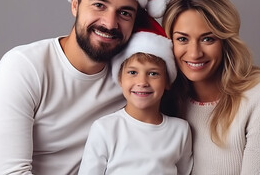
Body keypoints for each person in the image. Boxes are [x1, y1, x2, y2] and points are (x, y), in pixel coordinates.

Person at [0, 0, 166, 175]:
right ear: (75, 5)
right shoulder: (24, 67)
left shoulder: (132, 80)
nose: (109, 23)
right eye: (99, 5)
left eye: (125, 13)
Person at [161, 0, 260, 174]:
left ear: (225, 42)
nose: (194, 53)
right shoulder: (168, 99)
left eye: (208, 39)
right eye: (182, 39)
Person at [77, 20, 193, 175]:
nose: (142, 82)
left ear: (167, 81)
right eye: (132, 72)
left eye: (153, 73)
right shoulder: (105, 128)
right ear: (120, 79)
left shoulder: (180, 130)